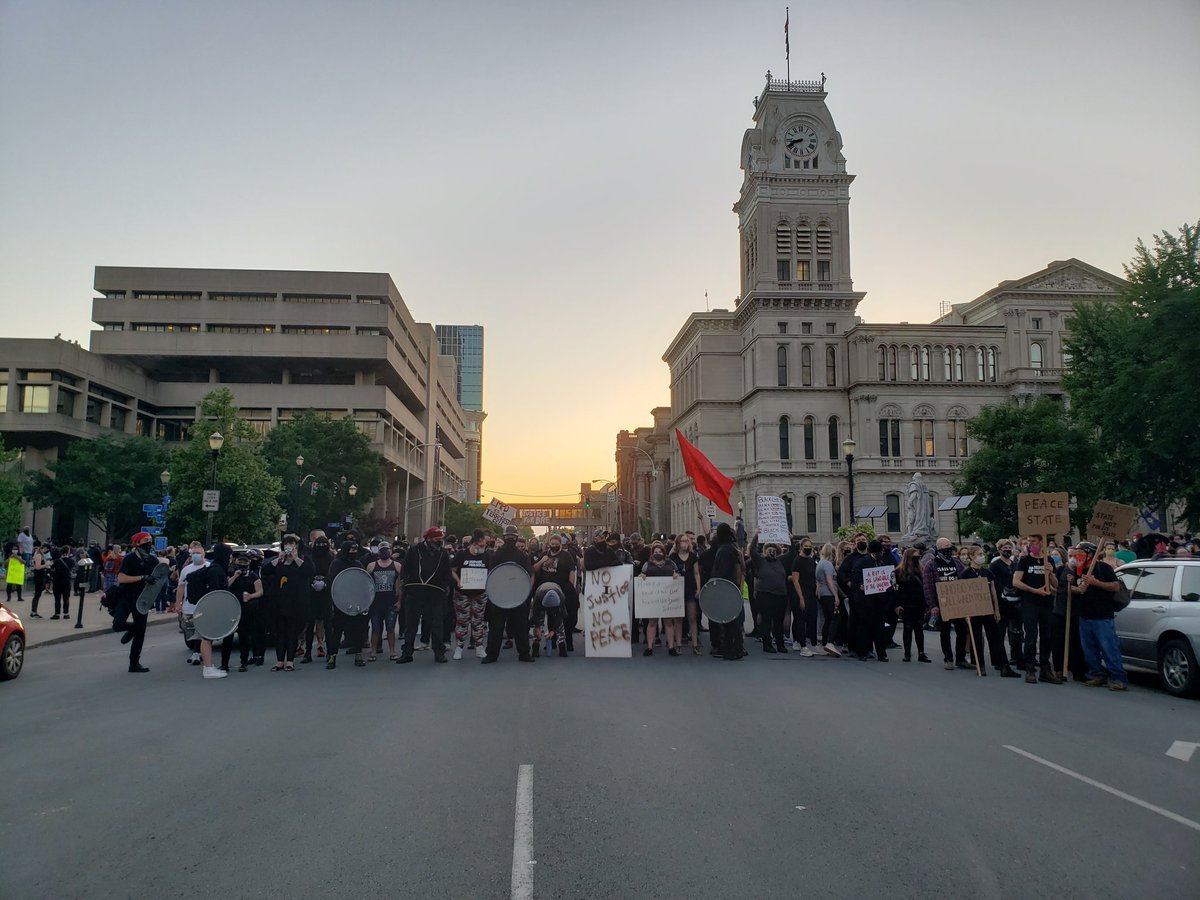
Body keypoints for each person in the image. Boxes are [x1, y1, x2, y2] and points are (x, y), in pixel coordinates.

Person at [1072, 542, 1129, 691]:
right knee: (1089, 649)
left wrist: (1095, 582)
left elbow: (1115, 586)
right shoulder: (1078, 570)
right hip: (1085, 615)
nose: (1078, 556)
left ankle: (1118, 677)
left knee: (1109, 648)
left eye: (1081, 553)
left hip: (1102, 616)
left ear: (1090, 554)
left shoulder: (1103, 568)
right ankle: (1097, 674)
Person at [174, 541, 230, 679]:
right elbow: (215, 592)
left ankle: (208, 665)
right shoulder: (215, 570)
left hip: (201, 606)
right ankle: (208, 668)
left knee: (206, 638)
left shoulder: (211, 567)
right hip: (205, 608)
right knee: (206, 638)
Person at [962, 546, 1019, 677]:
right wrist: (966, 613)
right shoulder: (965, 574)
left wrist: (996, 610)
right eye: (979, 554)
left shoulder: (987, 572)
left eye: (982, 553)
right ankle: (979, 664)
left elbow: (993, 591)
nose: (982, 556)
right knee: (976, 638)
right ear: (971, 556)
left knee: (996, 637)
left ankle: (1003, 665)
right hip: (974, 611)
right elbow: (963, 596)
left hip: (988, 609)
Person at [398, 527, 451, 664]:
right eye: (436, 540)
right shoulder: (414, 550)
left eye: (441, 540)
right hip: (415, 592)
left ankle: (439, 653)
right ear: (428, 538)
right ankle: (407, 653)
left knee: (436, 625)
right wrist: (405, 581)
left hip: (435, 593)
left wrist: (445, 586)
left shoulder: (443, 553)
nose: (439, 542)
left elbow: (447, 571)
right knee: (411, 625)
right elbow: (405, 568)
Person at [1012, 539, 1062, 684]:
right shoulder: (1025, 561)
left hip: (1046, 604)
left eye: (1036, 542)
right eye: (1031, 542)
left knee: (1047, 636)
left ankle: (1045, 670)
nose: (1033, 545)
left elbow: (1056, 585)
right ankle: (1030, 669)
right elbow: (1016, 581)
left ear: (1043, 544)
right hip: (1030, 603)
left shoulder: (1049, 560)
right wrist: (1034, 590)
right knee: (1031, 636)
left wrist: (1051, 573)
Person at [483, 525, 534, 663]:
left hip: (511, 595)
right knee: (498, 627)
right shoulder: (513, 555)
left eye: (511, 537)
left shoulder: (502, 555)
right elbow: (492, 575)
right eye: (509, 537)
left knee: (518, 627)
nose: (510, 538)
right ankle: (496, 654)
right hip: (506, 595)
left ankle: (519, 653)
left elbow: (527, 575)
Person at [264, 534, 315, 671]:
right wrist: (278, 560)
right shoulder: (279, 561)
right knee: (280, 632)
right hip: (279, 602)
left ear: (297, 546)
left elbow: (309, 571)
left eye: (292, 544)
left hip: (296, 603)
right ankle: (279, 660)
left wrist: (296, 558)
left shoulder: (303, 559)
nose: (289, 547)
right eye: (287, 544)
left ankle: (290, 661)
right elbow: (266, 571)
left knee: (292, 632)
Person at [111, 531, 159, 673]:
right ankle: (131, 628)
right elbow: (122, 578)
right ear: (137, 543)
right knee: (118, 624)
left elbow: (157, 581)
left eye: (150, 540)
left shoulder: (153, 561)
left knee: (141, 632)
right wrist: (142, 578)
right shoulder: (129, 559)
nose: (149, 542)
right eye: (145, 540)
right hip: (126, 596)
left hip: (143, 600)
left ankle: (134, 663)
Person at [923, 538, 970, 671]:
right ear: (939, 548)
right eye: (946, 546)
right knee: (945, 632)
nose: (949, 548)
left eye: (950, 545)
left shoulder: (957, 562)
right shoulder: (931, 565)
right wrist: (932, 605)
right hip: (942, 603)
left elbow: (963, 580)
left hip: (957, 603)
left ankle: (960, 658)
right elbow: (928, 586)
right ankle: (948, 658)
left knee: (962, 630)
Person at [532, 533, 577, 658]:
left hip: (560, 589)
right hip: (543, 590)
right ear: (549, 544)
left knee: (562, 616)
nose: (554, 547)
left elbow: (571, 570)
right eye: (552, 545)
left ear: (560, 545)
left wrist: (570, 586)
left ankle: (565, 642)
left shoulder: (566, 556)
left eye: (556, 545)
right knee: (542, 617)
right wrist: (542, 561)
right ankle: (547, 641)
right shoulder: (544, 554)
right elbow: (534, 569)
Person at [708, 522, 745, 661]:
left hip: (724, 587)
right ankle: (736, 648)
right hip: (732, 587)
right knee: (732, 620)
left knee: (728, 622)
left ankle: (731, 649)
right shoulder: (732, 549)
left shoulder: (723, 550)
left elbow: (721, 571)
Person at [451, 530, 490, 660]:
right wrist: (458, 581)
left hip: (480, 594)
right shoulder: (461, 554)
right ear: (475, 543)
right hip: (463, 593)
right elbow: (452, 570)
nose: (483, 548)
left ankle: (479, 647)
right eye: (481, 545)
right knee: (462, 621)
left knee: (478, 621)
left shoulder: (486, 556)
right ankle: (459, 648)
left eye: (484, 546)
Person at [639, 540, 682, 656]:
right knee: (652, 622)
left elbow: (678, 574)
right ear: (652, 553)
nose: (658, 553)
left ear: (664, 553)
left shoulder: (670, 563)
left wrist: (676, 575)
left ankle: (671, 647)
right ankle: (649, 647)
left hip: (667, 598)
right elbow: (642, 575)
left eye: (660, 551)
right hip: (652, 598)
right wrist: (642, 577)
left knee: (668, 622)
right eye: (655, 551)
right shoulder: (647, 564)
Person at [751, 532, 789, 654]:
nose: (771, 552)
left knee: (779, 621)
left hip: (780, 595)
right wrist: (756, 536)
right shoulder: (761, 561)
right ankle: (767, 644)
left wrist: (790, 539)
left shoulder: (781, 561)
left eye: (773, 550)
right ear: (764, 551)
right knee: (766, 620)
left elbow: (792, 553)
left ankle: (780, 644)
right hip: (765, 594)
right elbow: (752, 550)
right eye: (768, 550)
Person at [989, 539, 1023, 669]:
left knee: (1016, 632)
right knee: (1000, 632)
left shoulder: (1015, 564)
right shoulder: (995, 565)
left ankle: (1017, 657)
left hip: (1015, 603)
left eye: (1009, 547)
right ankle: (999, 660)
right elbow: (994, 583)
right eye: (1005, 547)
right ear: (999, 550)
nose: (1007, 550)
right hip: (1001, 602)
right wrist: (1004, 592)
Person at [231, 548, 266, 671]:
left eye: (245, 562)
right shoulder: (232, 573)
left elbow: (260, 591)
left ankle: (253, 657)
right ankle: (233, 662)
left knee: (252, 633)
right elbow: (225, 587)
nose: (242, 565)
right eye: (240, 562)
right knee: (239, 635)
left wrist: (251, 596)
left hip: (251, 608)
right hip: (234, 608)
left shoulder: (255, 574)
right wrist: (235, 576)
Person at [894, 548, 930, 662]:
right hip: (906, 604)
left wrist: (926, 604)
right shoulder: (899, 572)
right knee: (908, 628)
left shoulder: (921, 570)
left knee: (919, 628)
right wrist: (897, 604)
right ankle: (907, 653)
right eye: (915, 557)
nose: (917, 559)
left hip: (919, 603)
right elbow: (896, 590)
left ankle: (921, 652)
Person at [366, 542, 400, 661]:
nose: (385, 552)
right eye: (382, 550)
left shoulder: (397, 565)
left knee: (390, 628)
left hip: (391, 602)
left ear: (390, 551)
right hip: (375, 603)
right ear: (378, 552)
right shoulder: (371, 566)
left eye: (387, 550)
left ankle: (392, 651)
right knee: (376, 628)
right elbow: (366, 584)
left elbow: (401, 585)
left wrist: (399, 601)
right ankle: (373, 651)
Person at [670, 533, 703, 655]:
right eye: (682, 541)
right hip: (678, 590)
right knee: (678, 619)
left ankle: (694, 645)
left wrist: (698, 588)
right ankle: (678, 644)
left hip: (690, 588)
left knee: (692, 617)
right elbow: (670, 570)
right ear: (678, 543)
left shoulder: (693, 556)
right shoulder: (673, 556)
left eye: (686, 541)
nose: (684, 543)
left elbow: (696, 573)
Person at [789, 536, 822, 656]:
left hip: (811, 593)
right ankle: (802, 645)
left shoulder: (811, 561)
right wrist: (801, 597)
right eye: (806, 546)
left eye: (809, 546)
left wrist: (817, 585)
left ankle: (813, 644)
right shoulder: (797, 561)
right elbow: (795, 580)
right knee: (800, 619)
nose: (808, 548)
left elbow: (814, 576)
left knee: (812, 618)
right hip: (800, 593)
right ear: (801, 548)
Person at [306, 533, 334, 661]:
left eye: (324, 544)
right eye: (319, 544)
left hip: (326, 594)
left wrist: (325, 583)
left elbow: (333, 574)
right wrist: (312, 582)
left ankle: (330, 651)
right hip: (312, 595)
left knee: (328, 624)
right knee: (310, 624)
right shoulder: (310, 558)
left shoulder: (331, 559)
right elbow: (306, 573)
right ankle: (307, 652)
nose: (321, 547)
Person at [814, 542, 841, 657]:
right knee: (835, 617)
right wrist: (836, 595)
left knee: (827, 619)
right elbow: (829, 581)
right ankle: (830, 642)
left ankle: (825, 642)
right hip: (829, 593)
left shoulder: (820, 563)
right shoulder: (828, 565)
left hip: (821, 594)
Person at [28, 543, 48, 617]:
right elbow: (38, 567)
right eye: (45, 549)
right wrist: (47, 564)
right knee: (37, 594)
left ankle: (34, 611)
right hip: (39, 576)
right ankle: (33, 611)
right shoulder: (39, 555)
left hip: (40, 575)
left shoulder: (39, 554)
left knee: (38, 594)